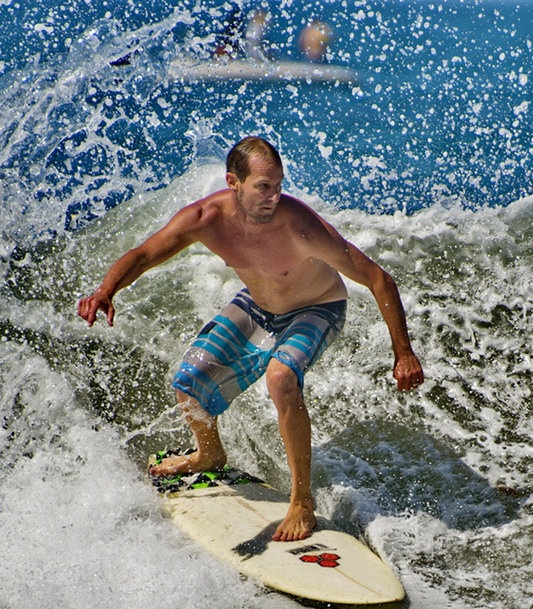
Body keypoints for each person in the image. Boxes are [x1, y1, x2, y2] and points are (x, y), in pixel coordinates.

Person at [78, 137, 424, 542]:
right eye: (263, 186)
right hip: (259, 306)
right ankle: (209, 455)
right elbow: (143, 254)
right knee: (188, 381)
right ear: (233, 183)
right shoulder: (205, 219)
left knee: (280, 377)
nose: (274, 196)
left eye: (278, 185)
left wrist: (403, 353)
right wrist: (106, 291)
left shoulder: (299, 225)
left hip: (317, 307)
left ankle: (302, 502)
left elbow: (378, 278)